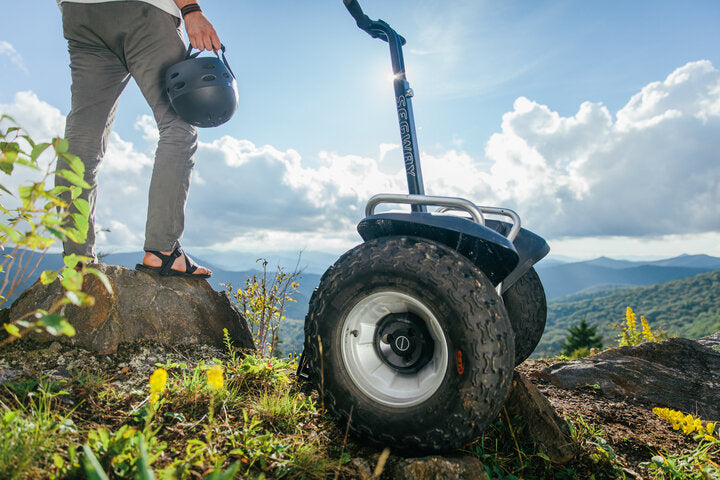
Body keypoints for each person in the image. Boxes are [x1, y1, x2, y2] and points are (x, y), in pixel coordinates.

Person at [56, 0, 217, 278]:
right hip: (142, 10)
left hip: (79, 13)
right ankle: (162, 252)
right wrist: (190, 9)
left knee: (82, 137)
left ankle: (77, 260)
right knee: (178, 124)